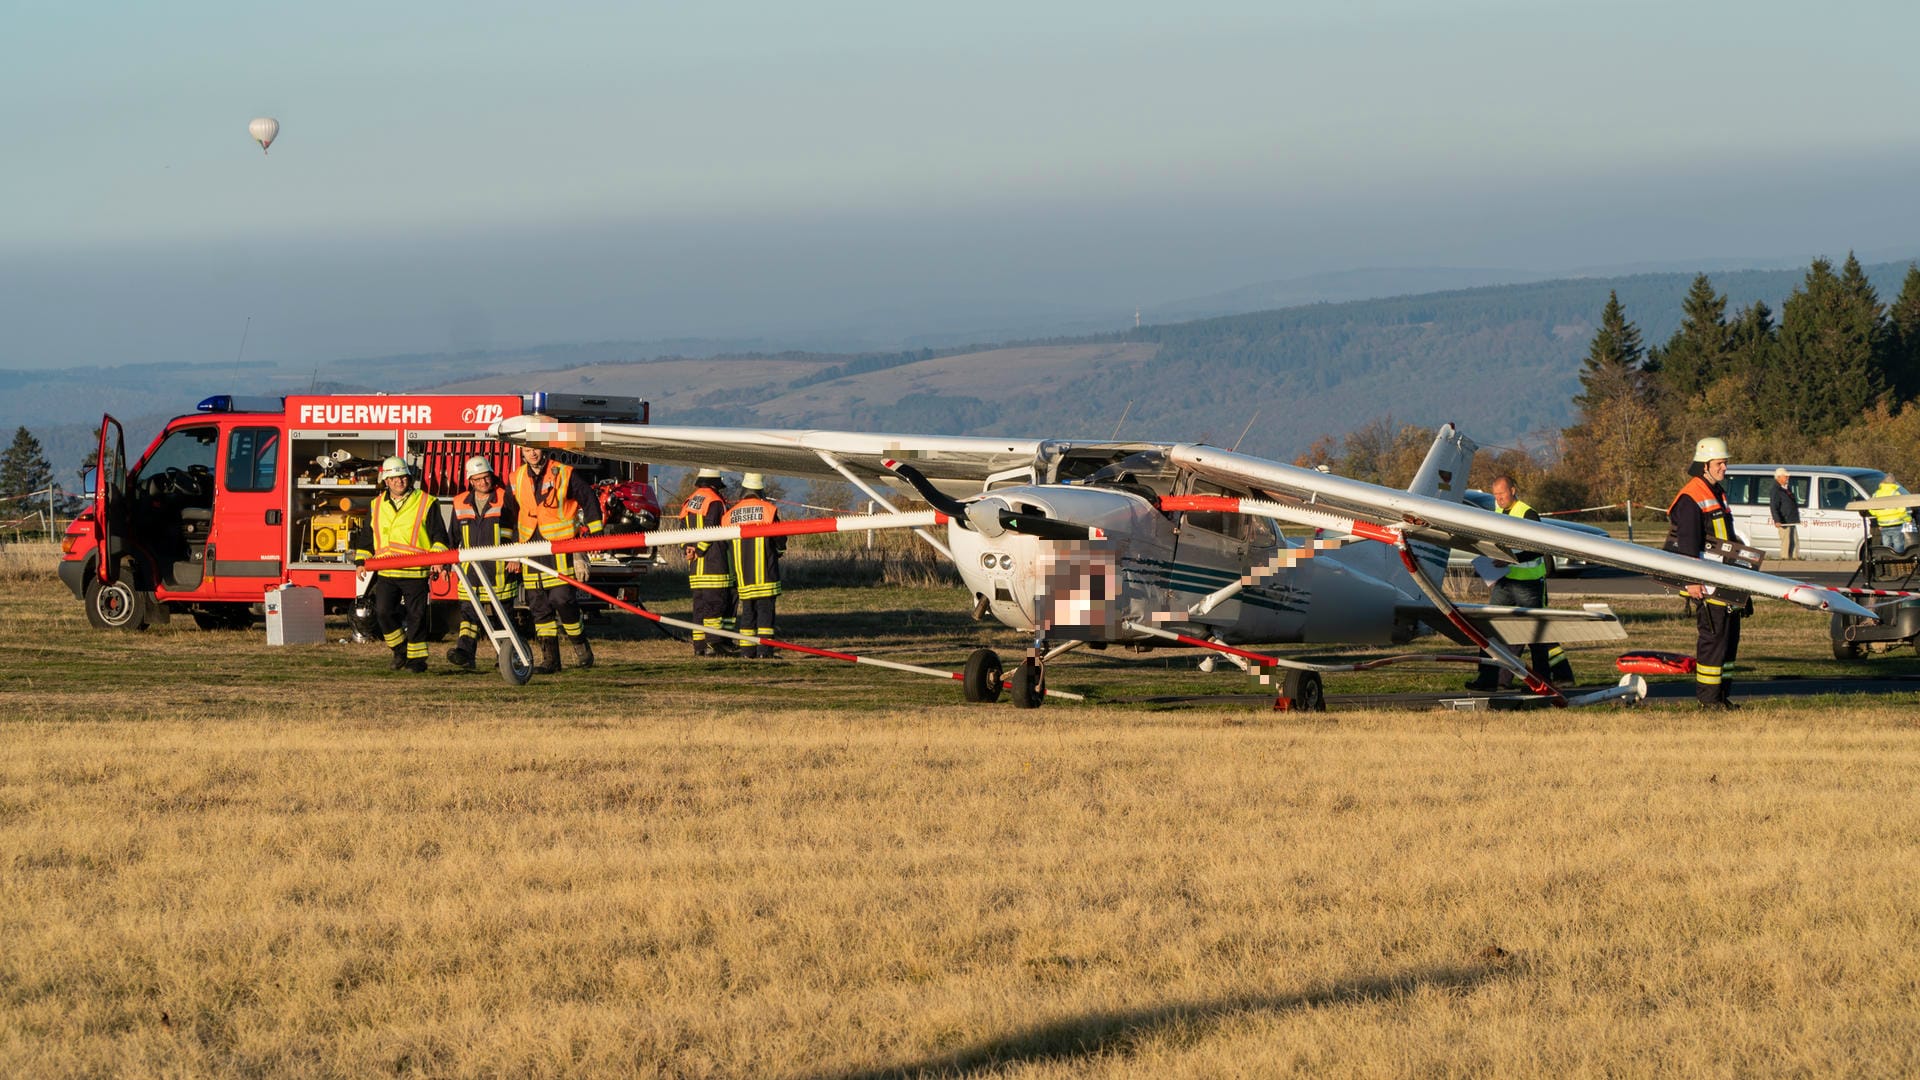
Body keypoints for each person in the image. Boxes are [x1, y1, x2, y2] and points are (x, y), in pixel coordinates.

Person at [1465, 475, 1575, 690]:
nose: (1499, 499)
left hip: (1529, 585)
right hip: (1504, 582)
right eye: (1495, 494)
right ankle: (1488, 679)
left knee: (1534, 634)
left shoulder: (1527, 513)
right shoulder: (1498, 511)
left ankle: (1542, 681)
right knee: (1490, 628)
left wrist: (1510, 559)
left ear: (1513, 490)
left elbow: (1539, 548)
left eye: (1502, 494)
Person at [1664, 436, 1744, 709]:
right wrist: (1691, 582)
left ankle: (1722, 696)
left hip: (1725, 578)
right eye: (1720, 463)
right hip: (1707, 583)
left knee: (1729, 641)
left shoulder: (1716, 491)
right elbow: (1687, 544)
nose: (1725, 468)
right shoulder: (1691, 497)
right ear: (1705, 465)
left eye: (1725, 463)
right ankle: (1708, 701)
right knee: (1713, 641)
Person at [350, 456, 449, 673]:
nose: (399, 482)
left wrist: (438, 561)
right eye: (394, 478)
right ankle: (399, 649)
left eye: (402, 477)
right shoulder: (376, 505)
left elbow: (439, 536)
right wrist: (361, 562)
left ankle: (417, 661)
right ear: (386, 481)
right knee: (383, 612)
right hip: (386, 569)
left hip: (416, 571)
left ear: (409, 478)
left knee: (417, 616)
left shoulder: (427, 501)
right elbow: (367, 536)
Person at [509, 445, 603, 674]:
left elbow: (588, 498)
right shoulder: (516, 477)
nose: (533, 454)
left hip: (560, 548)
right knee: (539, 607)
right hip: (530, 547)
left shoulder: (564, 472)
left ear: (545, 450)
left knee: (563, 600)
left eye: (537, 450)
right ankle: (550, 660)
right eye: (528, 450)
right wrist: (510, 550)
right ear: (522, 453)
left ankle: (580, 645)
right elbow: (509, 514)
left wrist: (595, 535)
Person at [445, 456, 519, 671]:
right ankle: (465, 653)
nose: (483, 483)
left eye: (486, 478)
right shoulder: (460, 502)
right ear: (470, 481)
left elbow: (517, 529)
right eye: (477, 479)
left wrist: (515, 556)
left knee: (503, 618)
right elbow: (454, 536)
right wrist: (446, 562)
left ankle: (506, 659)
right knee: (468, 616)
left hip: (500, 571)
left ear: (492, 477)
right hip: (471, 572)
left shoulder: (506, 498)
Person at [723, 473, 785, 658]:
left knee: (748, 613)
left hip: (743, 575)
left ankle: (747, 651)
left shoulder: (730, 514)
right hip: (765, 574)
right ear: (760, 491)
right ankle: (764, 652)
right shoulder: (768, 510)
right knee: (765, 614)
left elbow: (726, 543)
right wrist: (779, 551)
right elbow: (780, 538)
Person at [680, 468, 737, 656]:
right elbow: (712, 528)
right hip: (714, 562)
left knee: (700, 606)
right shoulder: (714, 501)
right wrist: (700, 549)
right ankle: (715, 643)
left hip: (695, 566)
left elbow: (680, 530)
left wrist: (687, 548)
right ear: (714, 483)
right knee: (716, 604)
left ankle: (700, 646)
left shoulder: (689, 501)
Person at [1870, 475, 1912, 556]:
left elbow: (1872, 510)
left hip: (1883, 525)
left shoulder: (1876, 494)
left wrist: (1880, 516)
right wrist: (1908, 519)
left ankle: (1887, 560)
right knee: (1898, 545)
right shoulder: (1895, 494)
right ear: (1894, 483)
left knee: (1886, 546)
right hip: (1896, 525)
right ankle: (1897, 561)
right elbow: (1902, 510)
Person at [1768, 468, 1800, 561]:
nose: (1787, 477)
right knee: (1786, 542)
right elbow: (1774, 506)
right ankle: (1785, 560)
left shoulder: (1786, 488)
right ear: (1778, 477)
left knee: (1794, 541)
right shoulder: (1776, 490)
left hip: (1791, 520)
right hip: (1783, 520)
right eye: (1785, 476)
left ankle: (1794, 558)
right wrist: (1777, 520)